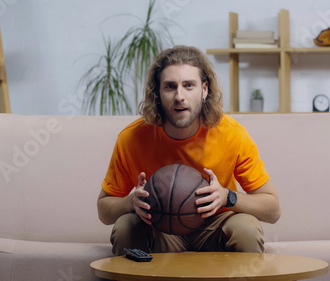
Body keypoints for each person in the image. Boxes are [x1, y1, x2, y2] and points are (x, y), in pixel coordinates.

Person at [97, 45, 280, 256]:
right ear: (157, 92)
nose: (179, 96)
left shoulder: (232, 134)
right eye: (170, 86)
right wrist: (130, 202)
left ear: (204, 90)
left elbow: (273, 210)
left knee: (247, 228)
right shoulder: (131, 138)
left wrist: (226, 197)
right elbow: (104, 211)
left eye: (188, 85)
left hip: (215, 226)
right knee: (125, 226)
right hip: (160, 227)